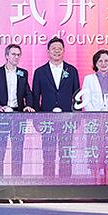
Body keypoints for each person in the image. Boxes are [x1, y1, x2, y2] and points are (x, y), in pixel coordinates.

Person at [31, 37, 80, 178]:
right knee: (48, 154)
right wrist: (37, 119)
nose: (56, 51)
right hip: (47, 119)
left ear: (63, 51)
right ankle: (48, 183)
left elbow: (77, 96)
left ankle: (66, 183)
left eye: (59, 48)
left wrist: (77, 117)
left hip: (67, 119)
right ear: (48, 51)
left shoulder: (72, 70)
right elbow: (35, 97)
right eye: (54, 48)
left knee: (66, 154)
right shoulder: (40, 72)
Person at [0, 44, 35, 178]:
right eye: (13, 54)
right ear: (6, 56)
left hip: (18, 115)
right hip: (1, 115)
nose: (16, 57)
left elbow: (28, 92)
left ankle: (17, 180)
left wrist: (28, 105)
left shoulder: (23, 73)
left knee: (18, 150)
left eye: (18, 54)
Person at [79, 49, 108, 184]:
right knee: (94, 149)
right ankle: (95, 181)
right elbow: (86, 99)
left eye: (106, 61)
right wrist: (96, 115)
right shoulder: (88, 79)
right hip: (94, 121)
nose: (103, 63)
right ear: (95, 63)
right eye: (100, 61)